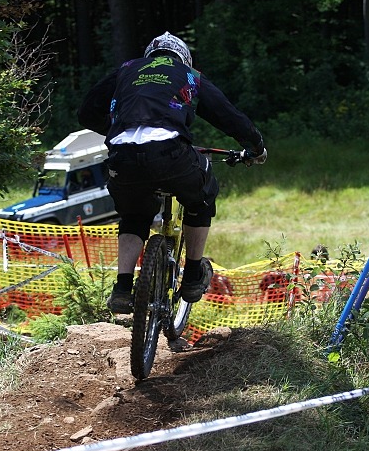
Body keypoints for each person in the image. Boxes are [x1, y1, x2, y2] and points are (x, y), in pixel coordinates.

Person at [77, 31, 267, 314]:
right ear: (183, 57)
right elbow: (227, 114)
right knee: (202, 196)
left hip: (121, 156)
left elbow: (86, 113)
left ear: (149, 55)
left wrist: (118, 128)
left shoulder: (126, 70)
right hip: (170, 152)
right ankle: (192, 276)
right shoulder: (189, 75)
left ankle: (122, 288)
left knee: (134, 216)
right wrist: (256, 146)